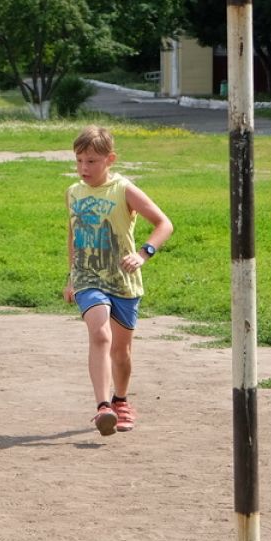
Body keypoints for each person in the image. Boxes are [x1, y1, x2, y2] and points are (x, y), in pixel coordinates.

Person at [63, 124, 173, 436]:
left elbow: (164, 224)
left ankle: (121, 400)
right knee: (100, 335)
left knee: (121, 353)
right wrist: (72, 277)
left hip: (123, 281)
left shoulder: (124, 190)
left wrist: (144, 253)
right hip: (88, 278)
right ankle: (102, 407)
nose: (84, 167)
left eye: (92, 161)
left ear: (110, 159)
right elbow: (73, 236)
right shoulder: (73, 193)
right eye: (79, 160)